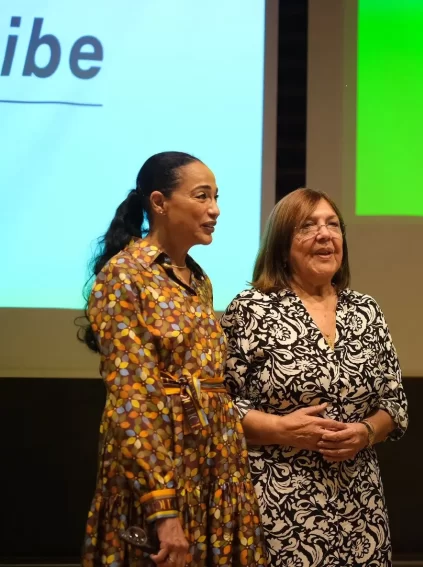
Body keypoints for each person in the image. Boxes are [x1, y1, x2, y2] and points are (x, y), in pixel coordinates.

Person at [79, 151, 267, 566]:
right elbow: (133, 398)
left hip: (215, 463)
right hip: (161, 465)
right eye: (202, 196)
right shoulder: (124, 275)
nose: (214, 209)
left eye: (216, 197)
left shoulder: (198, 278)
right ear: (159, 202)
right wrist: (163, 509)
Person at [221, 188, 408, 567]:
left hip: (360, 506)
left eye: (333, 225)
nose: (325, 235)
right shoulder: (250, 309)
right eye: (308, 226)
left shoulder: (366, 310)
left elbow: (394, 403)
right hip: (278, 503)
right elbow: (219, 407)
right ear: (282, 243)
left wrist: (367, 432)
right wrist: (280, 429)